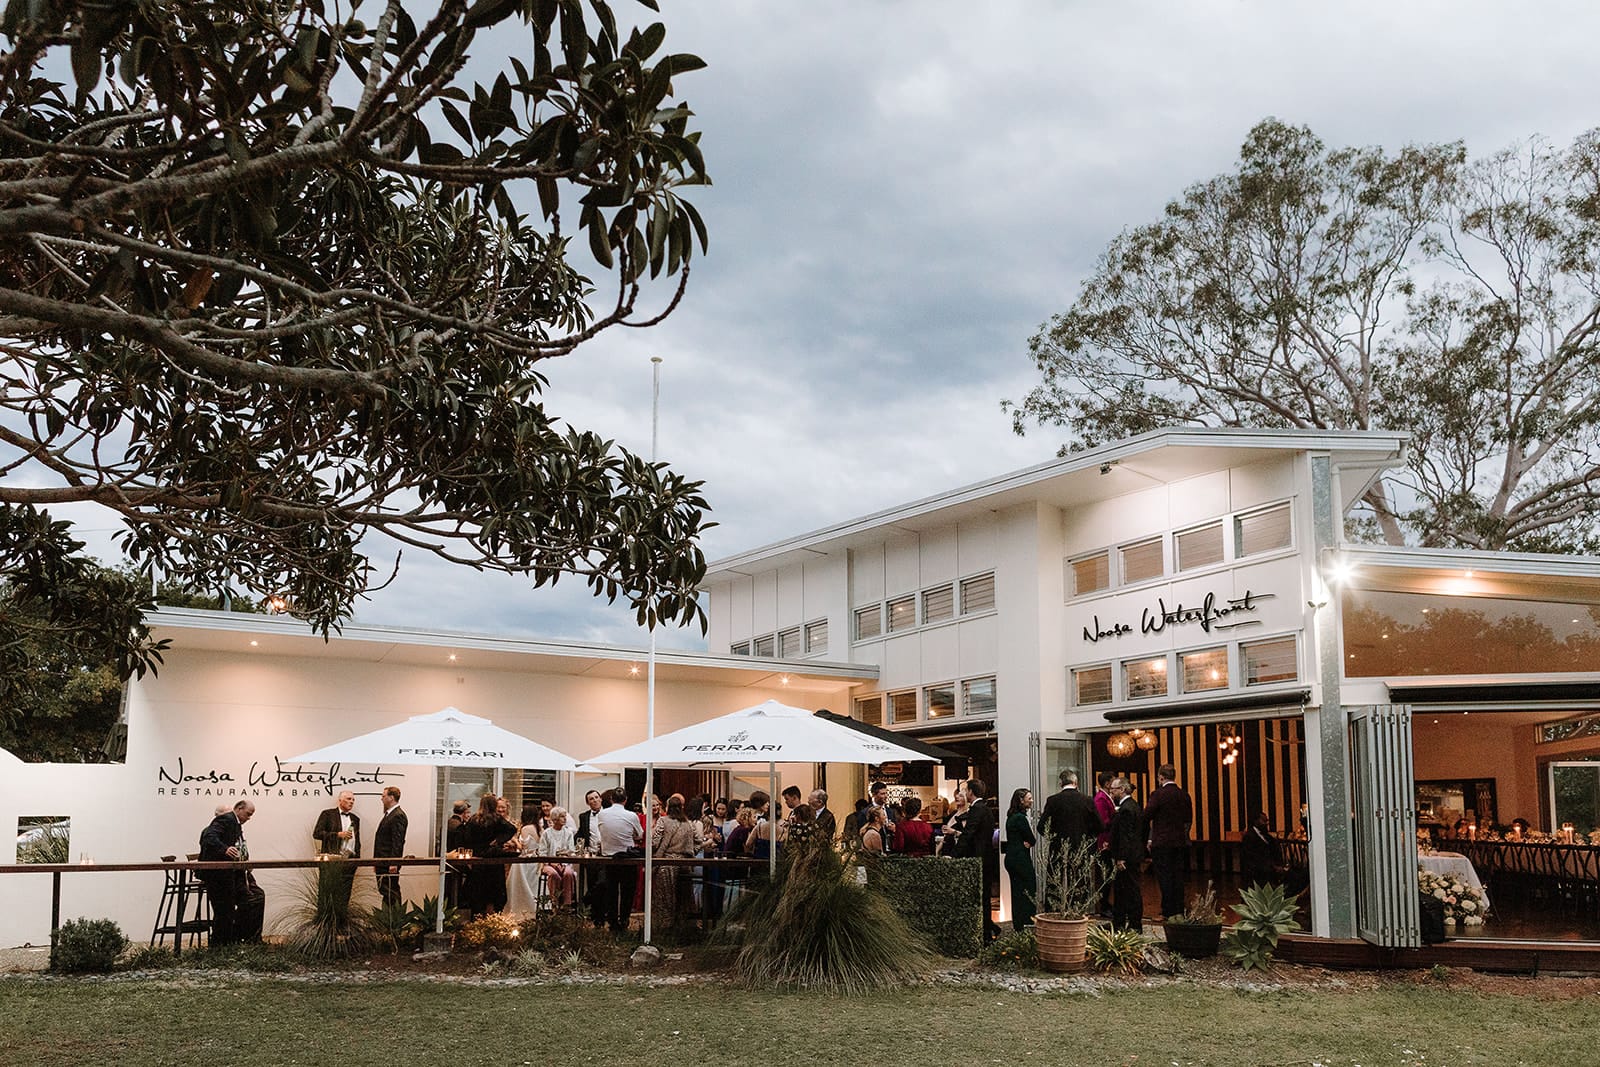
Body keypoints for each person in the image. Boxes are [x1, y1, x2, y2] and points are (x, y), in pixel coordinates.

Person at [198, 800, 265, 945]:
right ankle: (228, 943)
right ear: (239, 809)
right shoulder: (227, 818)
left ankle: (237, 939)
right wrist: (225, 849)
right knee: (226, 909)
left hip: (231, 873)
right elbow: (209, 837)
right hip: (220, 874)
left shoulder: (234, 823)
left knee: (242, 903)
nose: (249, 818)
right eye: (248, 814)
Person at [1036, 769, 1103, 912]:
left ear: (1060, 783)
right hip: (1080, 847)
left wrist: (1054, 837)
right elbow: (1099, 825)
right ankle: (1078, 912)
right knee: (1079, 882)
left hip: (1057, 848)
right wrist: (1087, 838)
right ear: (1076, 782)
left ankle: (1053, 913)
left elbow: (1041, 827)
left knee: (1055, 882)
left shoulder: (1053, 801)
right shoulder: (1087, 800)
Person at [1143, 763, 1194, 920]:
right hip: (1179, 842)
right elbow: (1188, 819)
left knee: (1164, 877)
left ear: (1160, 777)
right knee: (1178, 877)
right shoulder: (1184, 795)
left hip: (1162, 842)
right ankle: (1179, 909)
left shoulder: (1158, 795)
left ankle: (1167, 911)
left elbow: (1147, 815)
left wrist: (1149, 837)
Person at [953, 778, 1001, 943]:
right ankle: (989, 929)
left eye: (966, 790)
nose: (965, 793)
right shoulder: (986, 809)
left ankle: (986, 932)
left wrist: (954, 855)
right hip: (987, 858)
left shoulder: (977, 809)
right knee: (984, 897)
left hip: (978, 859)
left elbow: (969, 834)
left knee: (979, 897)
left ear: (971, 792)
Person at [652, 794, 703, 928]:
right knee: (684, 898)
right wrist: (692, 851)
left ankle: (665, 927)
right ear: (681, 808)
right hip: (685, 864)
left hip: (666, 864)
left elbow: (655, 842)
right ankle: (684, 927)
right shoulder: (688, 823)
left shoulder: (663, 821)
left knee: (665, 898)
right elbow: (699, 841)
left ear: (668, 807)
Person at [595, 786, 643, 931]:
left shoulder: (602, 815)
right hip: (627, 857)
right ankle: (624, 919)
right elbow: (640, 835)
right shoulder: (631, 816)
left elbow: (602, 831)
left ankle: (612, 921)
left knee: (612, 891)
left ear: (611, 799)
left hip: (609, 857)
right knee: (628, 890)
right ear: (626, 800)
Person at [461, 793, 517, 916]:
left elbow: (466, 838)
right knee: (495, 891)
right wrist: (498, 841)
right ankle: (495, 918)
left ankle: (477, 919)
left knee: (478, 891)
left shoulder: (474, 819)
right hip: (494, 859)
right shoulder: (497, 819)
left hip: (478, 859)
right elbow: (512, 829)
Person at [311, 789, 360, 910]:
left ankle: (342, 924)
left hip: (350, 862)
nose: (352, 802)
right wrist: (338, 835)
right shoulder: (327, 814)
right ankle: (326, 924)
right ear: (340, 800)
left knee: (345, 895)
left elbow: (357, 840)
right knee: (326, 894)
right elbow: (317, 833)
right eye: (349, 799)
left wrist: (357, 858)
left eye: (353, 799)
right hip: (331, 861)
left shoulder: (355, 818)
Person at [1107, 777, 1146, 931]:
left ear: (1122, 789)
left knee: (1129, 889)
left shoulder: (1126, 809)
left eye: (1114, 789)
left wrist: (1120, 857)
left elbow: (1125, 836)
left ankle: (1133, 924)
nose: (1111, 792)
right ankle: (1121, 922)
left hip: (1127, 857)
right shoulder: (1134, 806)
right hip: (1133, 854)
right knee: (1123, 889)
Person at [1003, 787, 1037, 930]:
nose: (1032, 801)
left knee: (1016, 892)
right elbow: (1032, 839)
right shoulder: (1021, 818)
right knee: (1028, 889)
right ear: (1021, 801)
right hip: (1020, 858)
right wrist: (1029, 843)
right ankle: (1027, 921)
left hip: (1011, 858)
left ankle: (1019, 923)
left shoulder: (1011, 817)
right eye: (1029, 798)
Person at [506, 803, 547, 915]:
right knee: (533, 886)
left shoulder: (526, 828)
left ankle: (521, 909)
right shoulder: (540, 828)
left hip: (524, 861)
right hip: (535, 861)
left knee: (519, 887)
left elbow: (523, 847)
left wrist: (514, 840)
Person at [372, 786, 407, 908]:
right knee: (386, 891)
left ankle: (395, 920)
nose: (381, 799)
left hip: (388, 861)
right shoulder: (390, 814)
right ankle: (389, 919)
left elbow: (398, 841)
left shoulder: (398, 815)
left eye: (383, 796)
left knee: (391, 891)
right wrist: (376, 862)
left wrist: (394, 862)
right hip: (382, 861)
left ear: (391, 797)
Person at [538, 806, 579, 908]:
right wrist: (552, 863)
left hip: (565, 863)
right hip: (548, 863)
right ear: (555, 819)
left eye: (565, 816)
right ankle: (554, 902)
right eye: (562, 817)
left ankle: (567, 904)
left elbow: (571, 851)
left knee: (568, 873)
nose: (565, 819)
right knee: (553, 874)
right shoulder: (546, 833)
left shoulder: (568, 833)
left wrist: (564, 860)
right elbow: (542, 852)